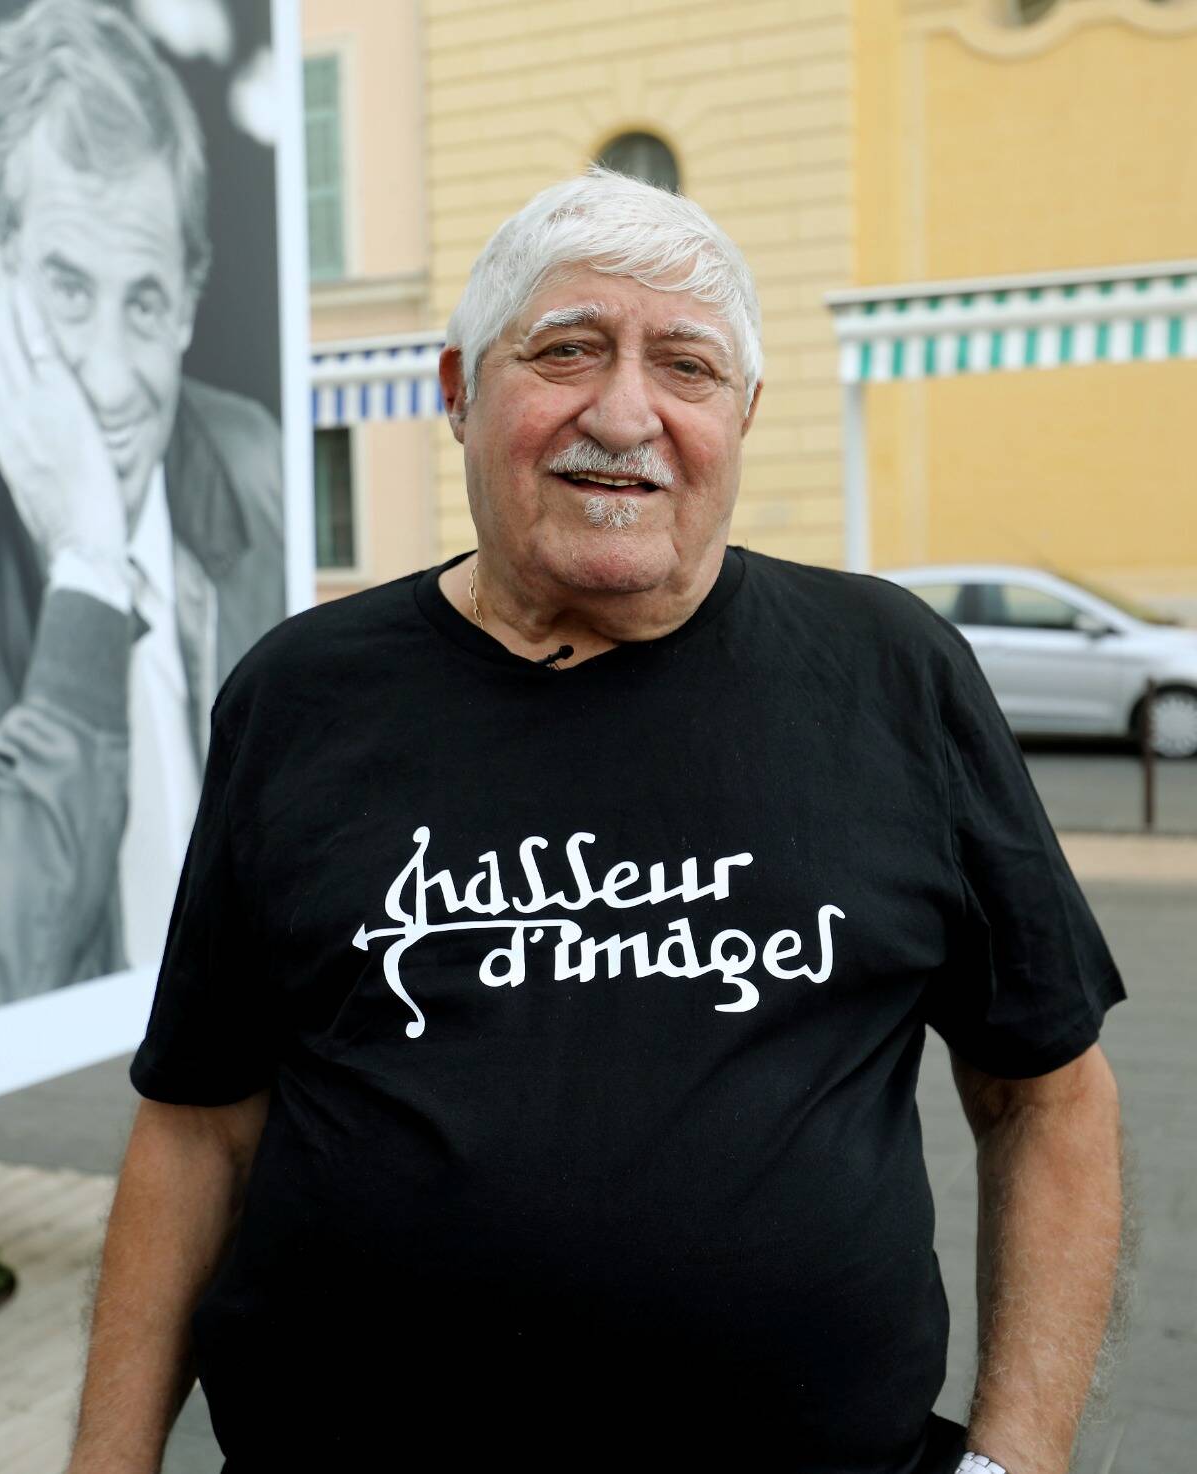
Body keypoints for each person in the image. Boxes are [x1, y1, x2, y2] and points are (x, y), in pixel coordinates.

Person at [71, 170, 1126, 1473]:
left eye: (685, 367)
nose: (623, 413)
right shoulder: (302, 695)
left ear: (741, 416)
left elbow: (1049, 1098)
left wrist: (1017, 1462)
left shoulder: (892, 673)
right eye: (565, 350)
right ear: (457, 392)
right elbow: (197, 1123)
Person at [0, 0, 283, 1046]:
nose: (114, 382)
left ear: (194, 295)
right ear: (1, 254)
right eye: (70, 295)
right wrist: (86, 582)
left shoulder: (259, 473)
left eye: (146, 302)